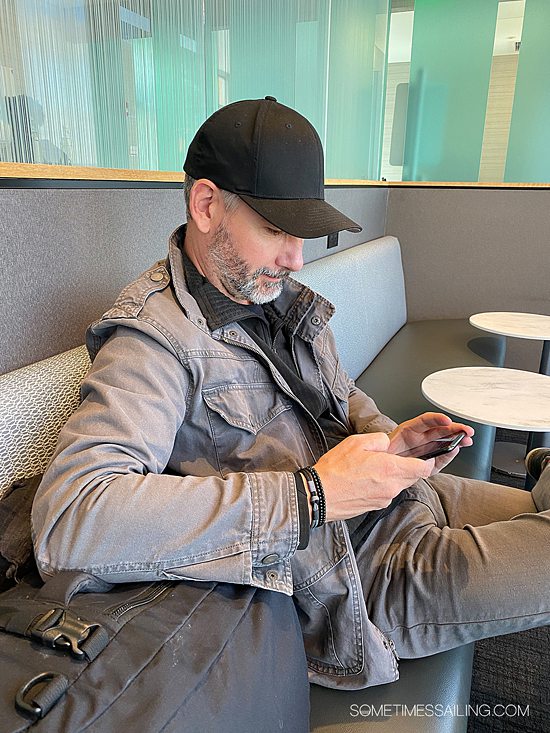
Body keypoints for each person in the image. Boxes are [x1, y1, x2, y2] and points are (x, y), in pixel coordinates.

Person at [33, 97, 550, 696]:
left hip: (404, 499)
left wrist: (387, 439)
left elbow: (339, 395)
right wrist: (312, 495)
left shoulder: (277, 297)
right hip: (353, 580)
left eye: (301, 233)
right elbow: (72, 517)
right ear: (206, 206)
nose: (297, 257)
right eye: (277, 229)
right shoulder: (154, 342)